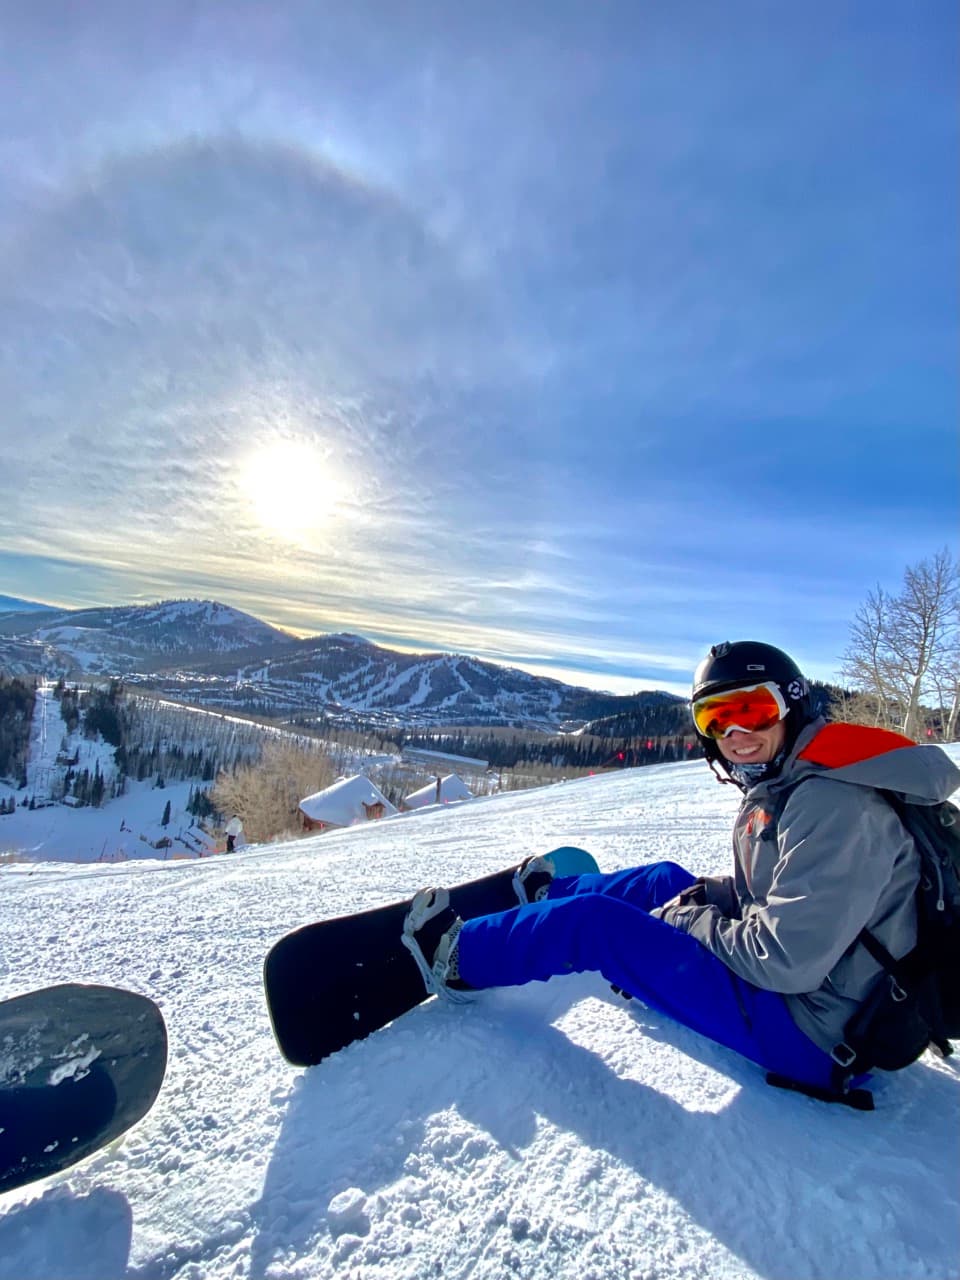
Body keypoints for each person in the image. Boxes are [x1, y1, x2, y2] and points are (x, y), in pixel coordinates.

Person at [403, 641, 960, 1105]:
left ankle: (455, 960)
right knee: (666, 880)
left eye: (753, 710)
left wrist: (691, 922)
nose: (735, 733)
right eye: (715, 718)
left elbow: (785, 961)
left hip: (815, 1031)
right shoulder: (797, 777)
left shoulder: (834, 802)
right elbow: (773, 893)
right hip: (831, 985)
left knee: (597, 926)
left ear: (792, 706)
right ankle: (549, 894)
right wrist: (699, 899)